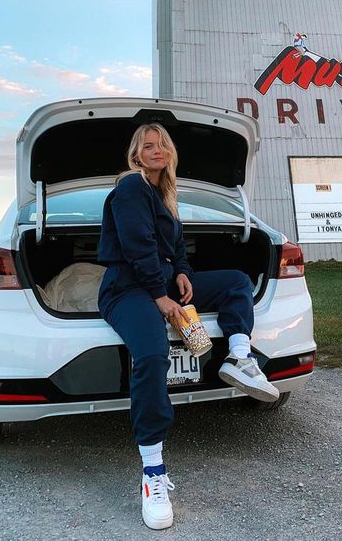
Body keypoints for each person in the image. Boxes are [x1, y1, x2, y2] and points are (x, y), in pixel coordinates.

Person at [98, 123, 280, 530]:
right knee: (150, 353)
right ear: (136, 154)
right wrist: (159, 296)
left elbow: (176, 247)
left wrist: (181, 273)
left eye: (162, 144)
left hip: (159, 283)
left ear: (170, 152)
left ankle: (239, 358)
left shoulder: (166, 194)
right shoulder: (131, 187)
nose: (156, 150)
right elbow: (136, 243)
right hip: (127, 289)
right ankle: (152, 473)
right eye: (147, 145)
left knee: (235, 281)